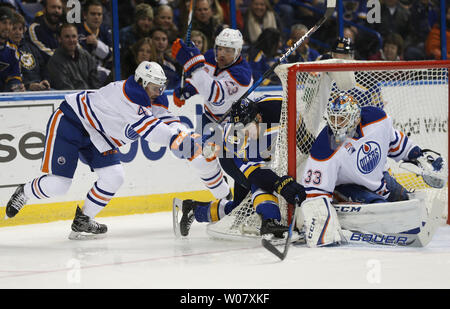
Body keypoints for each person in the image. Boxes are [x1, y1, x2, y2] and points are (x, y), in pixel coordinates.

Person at [5, 61, 231, 239]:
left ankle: (83, 219)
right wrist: (182, 141)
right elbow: (154, 131)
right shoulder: (130, 94)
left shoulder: (151, 93)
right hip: (72, 121)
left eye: (161, 87)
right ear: (142, 82)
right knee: (59, 185)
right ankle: (23, 192)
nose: (159, 92)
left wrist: (186, 134)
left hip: (100, 136)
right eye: (155, 87)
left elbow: (167, 119)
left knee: (114, 176)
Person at [298, 92, 446, 247]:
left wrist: (418, 155)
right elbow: (316, 191)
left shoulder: (377, 119)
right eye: (333, 118)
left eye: (341, 118)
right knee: (382, 208)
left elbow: (395, 143)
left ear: (356, 117)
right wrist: (321, 223)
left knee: (407, 200)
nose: (336, 124)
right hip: (348, 188)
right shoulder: (327, 144)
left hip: (379, 180)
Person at [174, 94, 306, 238]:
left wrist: (307, 145)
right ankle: (269, 222)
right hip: (231, 160)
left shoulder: (279, 108)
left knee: (243, 207)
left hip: (259, 156)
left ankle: (194, 209)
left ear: (258, 117)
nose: (247, 134)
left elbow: (301, 130)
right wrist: (281, 185)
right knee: (259, 185)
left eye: (248, 129)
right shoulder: (235, 138)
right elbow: (257, 173)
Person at [171, 28, 253, 130]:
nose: (222, 54)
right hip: (209, 116)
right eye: (220, 48)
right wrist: (187, 89)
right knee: (198, 145)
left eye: (228, 50)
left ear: (238, 51)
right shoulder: (210, 57)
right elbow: (200, 79)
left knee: (231, 146)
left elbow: (213, 93)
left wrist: (193, 64)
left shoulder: (243, 75)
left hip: (235, 122)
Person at [46, 23, 101, 90]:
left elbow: (96, 84)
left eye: (74, 36)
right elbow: (66, 90)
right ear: (59, 39)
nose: (71, 40)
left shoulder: (85, 55)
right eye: (67, 37)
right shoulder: (55, 62)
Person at [9, 10, 50, 91]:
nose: (17, 32)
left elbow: (43, 68)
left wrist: (45, 80)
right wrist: (28, 86)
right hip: (21, 90)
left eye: (20, 29)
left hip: (39, 86)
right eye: (14, 29)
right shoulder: (6, 51)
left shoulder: (31, 48)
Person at [77, 0, 113, 73]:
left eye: (99, 14)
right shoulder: (77, 31)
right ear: (85, 15)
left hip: (104, 74)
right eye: (93, 14)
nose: (96, 17)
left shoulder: (106, 31)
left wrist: (97, 43)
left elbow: (112, 56)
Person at [0, 6, 24, 92]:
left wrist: (16, 87)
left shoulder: (13, 50)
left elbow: (14, 77)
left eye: (10, 24)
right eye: (4, 23)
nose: (7, 27)